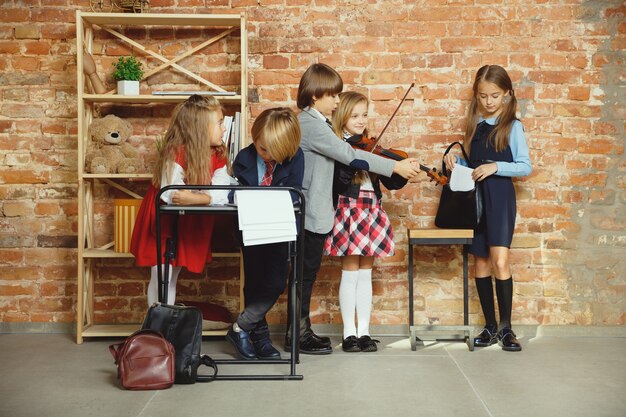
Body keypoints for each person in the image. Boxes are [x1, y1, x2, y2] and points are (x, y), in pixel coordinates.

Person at [291, 63, 421, 355]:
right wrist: (395, 164)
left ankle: (302, 332)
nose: (337, 101)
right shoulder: (310, 124)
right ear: (315, 95)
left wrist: (396, 170)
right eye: (333, 95)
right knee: (304, 274)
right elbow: (349, 155)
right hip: (316, 209)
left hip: (338, 209)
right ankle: (299, 334)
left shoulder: (319, 123)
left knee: (307, 274)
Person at [443, 65, 531, 352]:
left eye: (494, 95)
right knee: (479, 262)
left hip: (501, 198)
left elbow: (524, 166)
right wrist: (458, 162)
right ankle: (490, 326)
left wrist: (496, 166)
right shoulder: (475, 125)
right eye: (483, 96)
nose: (489, 101)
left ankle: (506, 329)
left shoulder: (513, 126)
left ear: (506, 94)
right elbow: (473, 165)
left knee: (500, 261)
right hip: (476, 201)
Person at [325, 91, 409, 352]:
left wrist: (403, 168)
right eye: (354, 116)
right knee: (350, 273)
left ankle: (365, 332)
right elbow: (337, 183)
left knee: (366, 274)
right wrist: (355, 158)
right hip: (348, 211)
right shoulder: (338, 146)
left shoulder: (372, 145)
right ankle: (348, 333)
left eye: (364, 115)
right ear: (342, 116)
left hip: (371, 211)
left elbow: (391, 181)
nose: (361, 120)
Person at [130, 94, 230, 306]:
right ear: (200, 128)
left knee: (172, 275)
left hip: (185, 219)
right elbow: (171, 193)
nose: (224, 128)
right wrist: (201, 197)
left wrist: (197, 199)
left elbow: (223, 191)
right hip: (163, 219)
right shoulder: (176, 152)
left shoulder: (218, 154)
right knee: (161, 275)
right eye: (220, 123)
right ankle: (157, 330)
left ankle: (162, 331)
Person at [225, 108, 304, 360]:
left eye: (273, 151)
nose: (267, 155)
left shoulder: (295, 157)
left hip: (279, 229)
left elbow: (295, 193)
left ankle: (242, 326)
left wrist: (258, 199)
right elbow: (231, 193)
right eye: (262, 148)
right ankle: (258, 336)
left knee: (276, 282)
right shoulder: (243, 158)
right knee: (255, 283)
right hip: (250, 228)